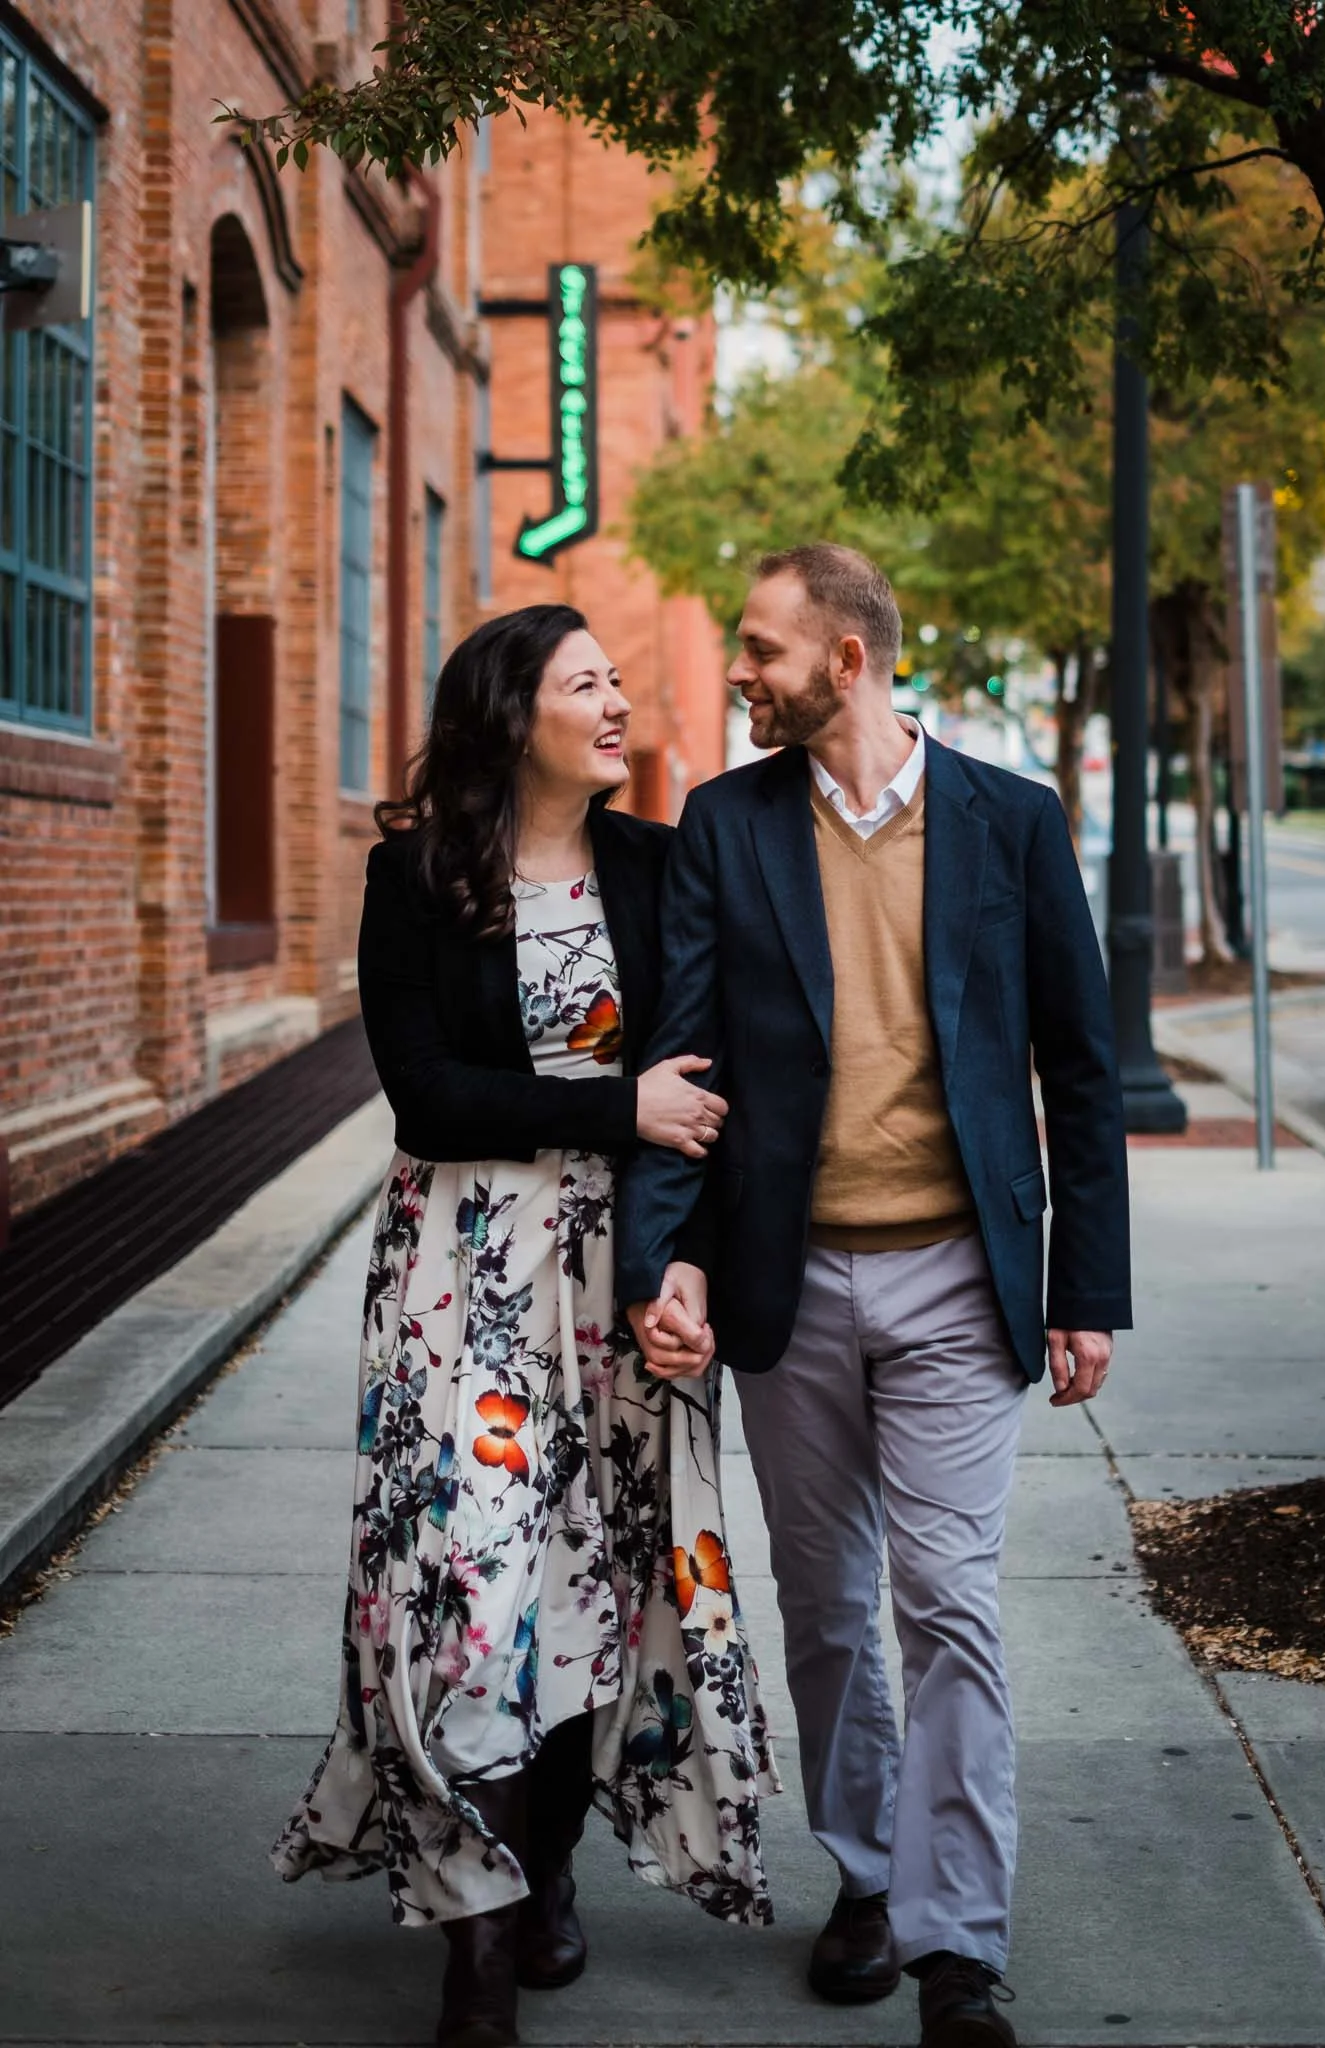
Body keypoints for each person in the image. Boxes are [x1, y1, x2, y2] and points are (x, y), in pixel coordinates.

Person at [618, 545, 1131, 2048]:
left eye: (763, 649)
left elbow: (1081, 1070)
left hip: (962, 1282)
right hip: (792, 1280)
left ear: (848, 659)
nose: (740, 672)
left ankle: (957, 1941)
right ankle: (867, 1875)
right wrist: (667, 1264)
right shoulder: (727, 823)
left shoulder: (1011, 824)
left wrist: (1082, 1284)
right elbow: (688, 1061)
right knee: (828, 1610)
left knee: (951, 1604)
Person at [274, 605, 776, 2048]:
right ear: (513, 717)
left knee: (603, 1599)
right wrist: (617, 1106)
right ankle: (473, 1946)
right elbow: (426, 1095)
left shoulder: (657, 867)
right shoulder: (414, 879)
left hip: (621, 1278)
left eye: (619, 678)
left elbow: (714, 1093)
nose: (617, 702)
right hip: (461, 1281)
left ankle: (543, 1863)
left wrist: (691, 1277)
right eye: (585, 684)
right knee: (468, 1594)